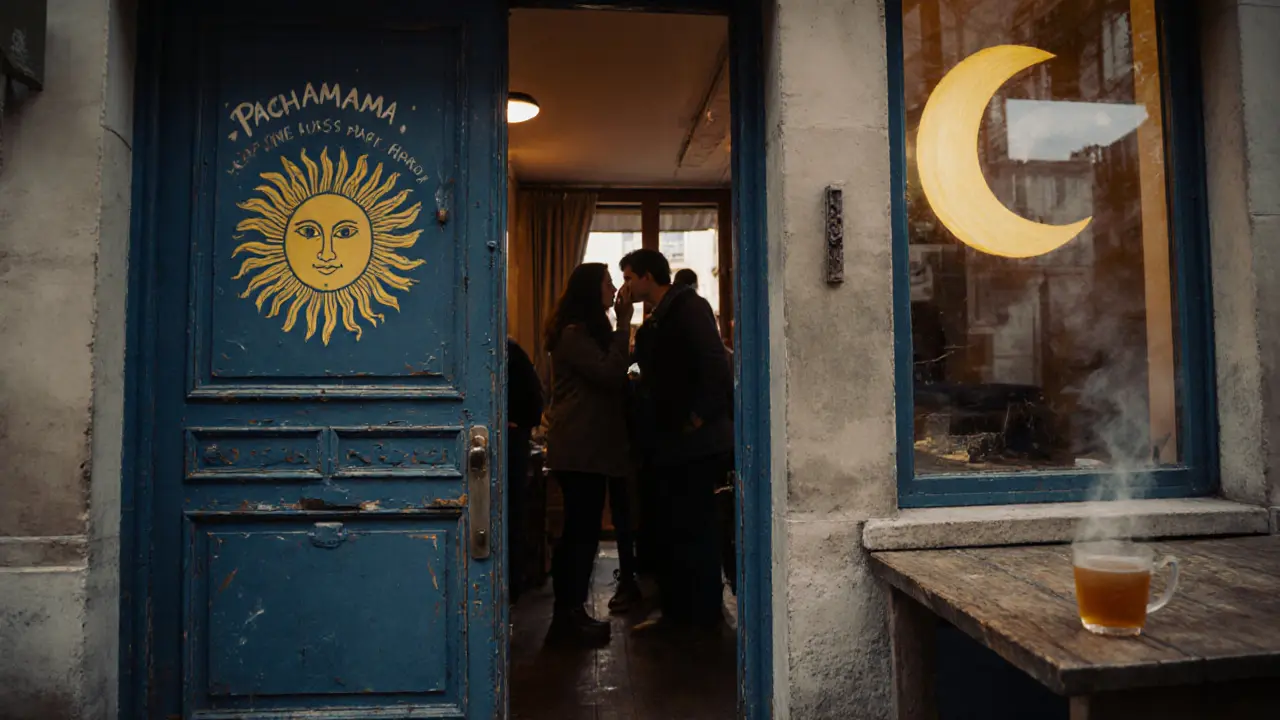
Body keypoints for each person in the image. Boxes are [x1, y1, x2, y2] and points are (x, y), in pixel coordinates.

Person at [621, 249, 733, 633]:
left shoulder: (688, 307)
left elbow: (715, 364)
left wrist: (697, 417)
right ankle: (681, 613)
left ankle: (699, 615)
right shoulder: (655, 319)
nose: (626, 285)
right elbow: (637, 367)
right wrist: (634, 373)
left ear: (648, 277)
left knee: (695, 529)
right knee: (674, 529)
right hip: (670, 444)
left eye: (630, 277)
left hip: (693, 445)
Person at [543, 263, 634, 647]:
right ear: (590, 291)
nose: (614, 288)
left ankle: (571, 614)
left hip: (586, 449)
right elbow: (609, 373)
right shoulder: (574, 334)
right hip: (580, 450)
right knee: (579, 536)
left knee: (581, 534)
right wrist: (625, 322)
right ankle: (566, 618)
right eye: (608, 282)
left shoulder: (581, 333)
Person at [506, 337, 543, 606]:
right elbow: (535, 403)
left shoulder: (509, 353)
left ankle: (510, 585)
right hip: (515, 439)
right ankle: (513, 585)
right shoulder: (513, 351)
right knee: (513, 514)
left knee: (509, 515)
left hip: (511, 440)